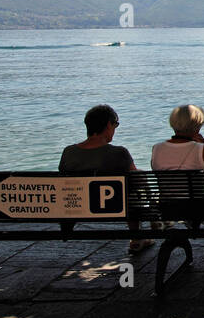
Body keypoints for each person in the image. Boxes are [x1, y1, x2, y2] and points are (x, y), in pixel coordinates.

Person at [58, 104, 150, 255]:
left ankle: (67, 228)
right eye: (116, 125)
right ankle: (135, 237)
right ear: (109, 125)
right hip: (115, 208)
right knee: (134, 188)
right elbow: (138, 181)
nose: (115, 130)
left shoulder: (69, 152)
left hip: (76, 207)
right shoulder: (119, 153)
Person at [151, 104, 204, 259]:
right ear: (197, 126)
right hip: (202, 206)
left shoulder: (157, 148)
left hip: (170, 207)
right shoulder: (201, 149)